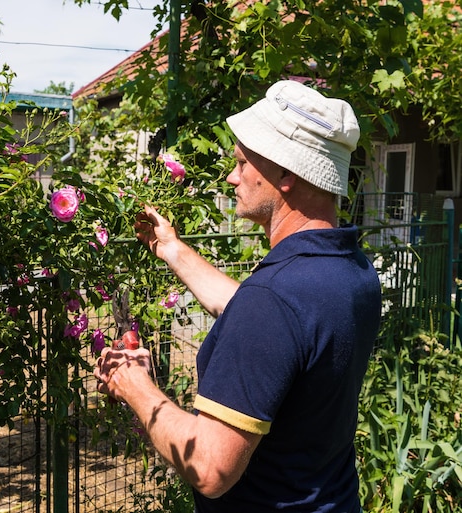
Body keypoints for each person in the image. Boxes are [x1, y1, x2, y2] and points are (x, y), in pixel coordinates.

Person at [94, 80, 382, 513]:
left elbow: (210, 468)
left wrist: (133, 383)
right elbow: (280, 327)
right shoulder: (349, 270)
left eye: (243, 163)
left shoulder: (274, 299)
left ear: (286, 174)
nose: (232, 176)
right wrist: (172, 249)